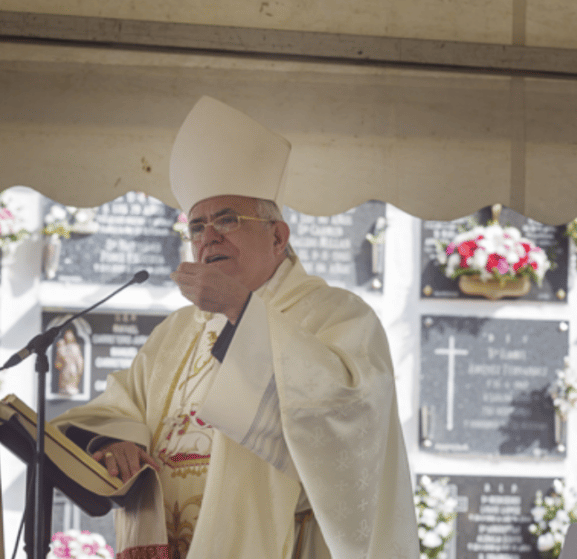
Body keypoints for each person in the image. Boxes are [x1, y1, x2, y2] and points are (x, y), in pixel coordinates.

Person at [51, 97, 418, 559]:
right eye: (198, 226)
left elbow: (349, 420)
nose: (208, 237)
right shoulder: (174, 333)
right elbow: (120, 404)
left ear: (278, 236)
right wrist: (117, 438)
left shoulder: (339, 316)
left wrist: (243, 312)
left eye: (228, 219)